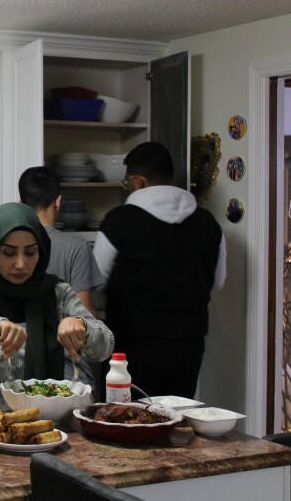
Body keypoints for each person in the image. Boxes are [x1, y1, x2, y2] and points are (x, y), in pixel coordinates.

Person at [0, 202, 114, 410]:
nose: (21, 264)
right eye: (9, 253)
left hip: (43, 427)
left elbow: (104, 347)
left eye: (30, 252)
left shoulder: (57, 292)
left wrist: (82, 326)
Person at [92, 141, 227, 399]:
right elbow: (217, 281)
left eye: (127, 183)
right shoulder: (208, 223)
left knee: (125, 422)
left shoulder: (119, 221)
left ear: (138, 181)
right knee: (175, 421)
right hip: (188, 347)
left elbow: (97, 280)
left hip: (131, 346)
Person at [19, 166, 105, 388]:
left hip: (21, 370)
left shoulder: (10, 248)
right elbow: (85, 314)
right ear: (58, 202)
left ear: (20, 204)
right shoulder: (75, 247)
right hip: (68, 373)